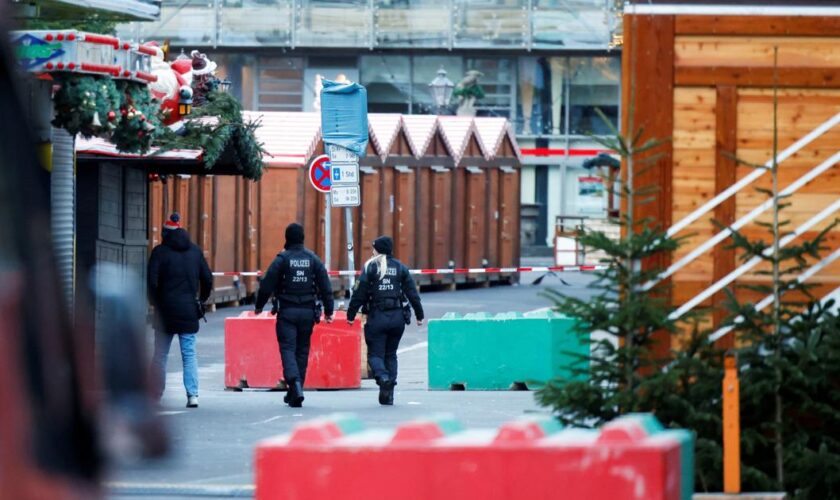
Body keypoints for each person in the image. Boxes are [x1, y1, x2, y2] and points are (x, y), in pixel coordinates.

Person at [255, 223, 334, 408]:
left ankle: (295, 385)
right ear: (303, 238)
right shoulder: (313, 259)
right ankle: (295, 390)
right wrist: (329, 311)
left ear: (287, 238)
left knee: (288, 349)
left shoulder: (282, 259)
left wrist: (259, 305)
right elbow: (325, 286)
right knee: (302, 350)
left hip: (287, 312)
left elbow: (267, 283)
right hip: (308, 312)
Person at [347, 236, 424, 406]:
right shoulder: (400, 267)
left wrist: (351, 315)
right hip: (397, 318)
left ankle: (382, 377)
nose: (372, 251)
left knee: (375, 354)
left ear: (378, 250)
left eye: (373, 248)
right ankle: (388, 393)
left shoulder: (370, 267)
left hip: (377, 317)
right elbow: (412, 293)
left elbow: (359, 294)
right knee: (391, 354)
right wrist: (419, 315)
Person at [148, 213, 213, 408]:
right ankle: (192, 395)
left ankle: (155, 396)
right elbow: (208, 278)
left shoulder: (159, 252)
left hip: (165, 311)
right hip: (188, 310)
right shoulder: (194, 251)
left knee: (160, 354)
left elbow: (151, 281)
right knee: (189, 354)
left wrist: (155, 302)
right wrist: (201, 300)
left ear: (165, 233)